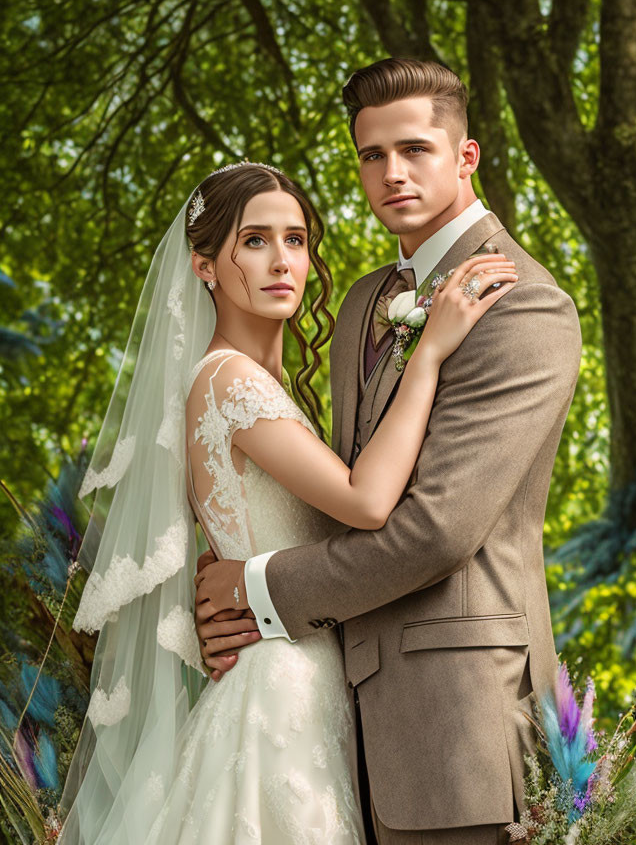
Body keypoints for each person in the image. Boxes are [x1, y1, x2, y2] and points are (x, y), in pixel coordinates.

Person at [58, 159, 515, 844]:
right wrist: (429, 355)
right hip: (279, 695)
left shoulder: (260, 391)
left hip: (301, 678)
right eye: (254, 240)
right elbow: (367, 503)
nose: (282, 261)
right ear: (204, 264)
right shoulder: (229, 383)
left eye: (296, 240)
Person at [194, 59, 583, 845]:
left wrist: (256, 590)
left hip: (458, 722)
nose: (391, 174)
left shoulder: (527, 307)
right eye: (372, 155)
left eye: (415, 150)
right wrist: (233, 608)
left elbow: (438, 530)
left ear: (466, 156)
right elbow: (343, 502)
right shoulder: (365, 301)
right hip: (334, 715)